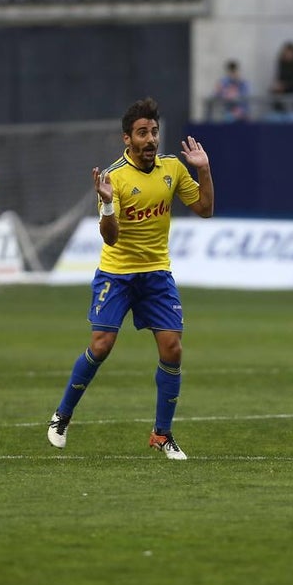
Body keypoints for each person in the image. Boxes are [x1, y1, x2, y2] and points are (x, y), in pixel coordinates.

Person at [46, 98, 214, 460]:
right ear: (127, 139)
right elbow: (110, 237)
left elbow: (205, 209)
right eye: (142, 133)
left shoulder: (173, 169)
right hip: (117, 275)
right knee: (102, 345)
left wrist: (204, 170)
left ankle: (162, 434)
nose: (150, 139)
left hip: (156, 274)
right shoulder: (113, 178)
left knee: (173, 349)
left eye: (154, 131)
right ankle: (62, 415)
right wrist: (106, 204)